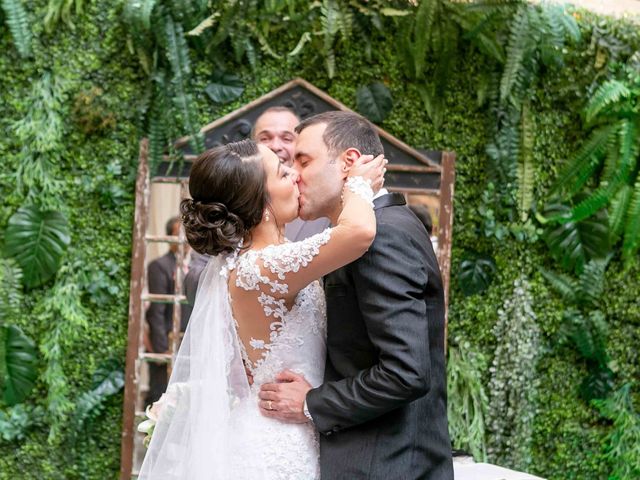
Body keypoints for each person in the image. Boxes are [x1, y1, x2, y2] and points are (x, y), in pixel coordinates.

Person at [138, 139, 386, 479]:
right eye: (284, 173)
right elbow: (358, 231)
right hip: (277, 445)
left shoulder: (267, 260)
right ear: (262, 201)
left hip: (291, 425)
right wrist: (358, 183)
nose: (297, 177)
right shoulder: (263, 266)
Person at [258, 111, 454, 479]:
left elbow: (406, 372)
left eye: (304, 160)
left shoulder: (382, 236)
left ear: (349, 162)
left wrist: (311, 403)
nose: (296, 173)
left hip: (383, 464)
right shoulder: (363, 232)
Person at [183, 107, 330, 304]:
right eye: (265, 138)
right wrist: (249, 281)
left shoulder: (323, 206)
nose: (275, 146)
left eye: (287, 138)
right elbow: (195, 279)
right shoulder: (231, 208)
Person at [144, 216, 192, 407]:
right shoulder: (159, 266)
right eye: (178, 234)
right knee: (159, 394)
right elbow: (156, 310)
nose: (185, 238)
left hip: (186, 342)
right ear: (169, 237)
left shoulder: (196, 265)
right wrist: (161, 350)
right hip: (166, 341)